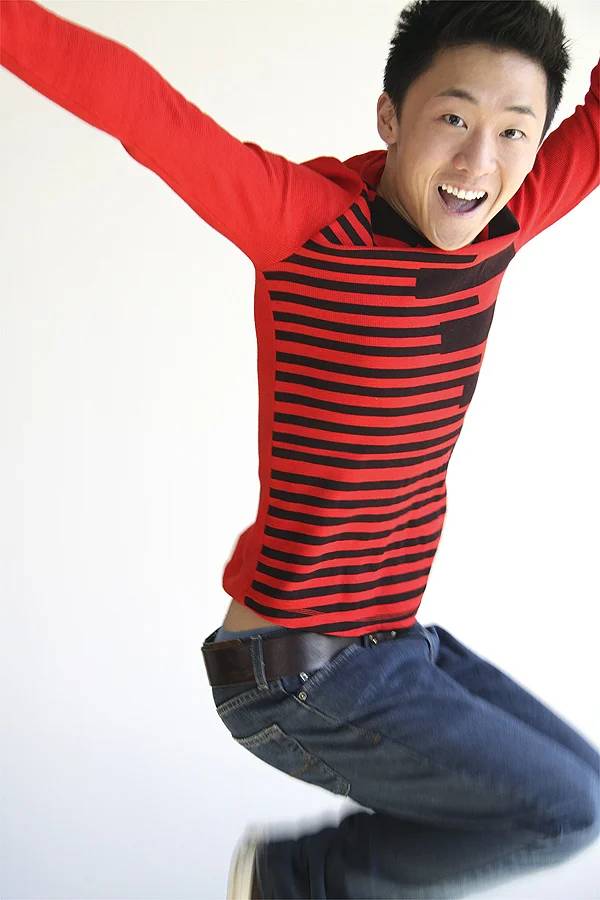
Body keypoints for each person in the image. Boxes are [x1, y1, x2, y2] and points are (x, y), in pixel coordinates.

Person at [2, 0, 598, 897]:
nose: (481, 162)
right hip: (296, 669)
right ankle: (292, 883)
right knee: (561, 809)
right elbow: (139, 107)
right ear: (391, 117)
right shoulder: (305, 228)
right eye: (453, 118)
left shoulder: (508, 220)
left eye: (515, 131)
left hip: (394, 642)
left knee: (582, 791)